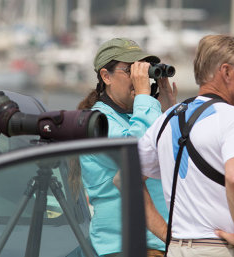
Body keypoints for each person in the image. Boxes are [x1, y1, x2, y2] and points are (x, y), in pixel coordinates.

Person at [136, 34, 234, 257]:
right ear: (226, 72)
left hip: (176, 248)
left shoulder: (166, 119)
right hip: (220, 249)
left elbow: (125, 178)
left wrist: (167, 234)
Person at [77, 38, 176, 257]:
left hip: (158, 245)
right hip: (124, 248)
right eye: (131, 70)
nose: (139, 78)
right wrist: (144, 98)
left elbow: (175, 158)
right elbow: (135, 153)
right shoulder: (97, 121)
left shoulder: (141, 115)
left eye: (143, 70)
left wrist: (167, 112)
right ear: (106, 76)